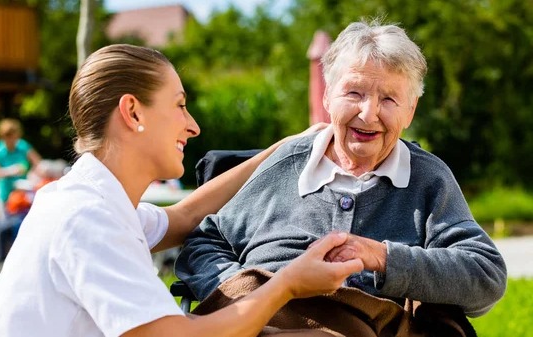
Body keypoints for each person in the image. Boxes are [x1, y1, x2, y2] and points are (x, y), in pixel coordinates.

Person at [0, 44, 364, 337]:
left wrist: (281, 150)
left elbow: (184, 217)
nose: (193, 126)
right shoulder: (86, 218)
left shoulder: (88, 199)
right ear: (133, 112)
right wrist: (290, 283)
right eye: (179, 106)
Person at [175, 19, 507, 324]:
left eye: (389, 99)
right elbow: (204, 241)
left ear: (410, 111)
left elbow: (485, 275)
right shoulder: (287, 163)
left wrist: (381, 257)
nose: (369, 113)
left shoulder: (427, 180)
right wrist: (242, 295)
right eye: (354, 93)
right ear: (329, 97)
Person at [0, 118, 42, 220]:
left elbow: (38, 163)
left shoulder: (23, 146)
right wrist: (11, 171)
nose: (12, 140)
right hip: (3, 196)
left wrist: (32, 174)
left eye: (14, 136)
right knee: (5, 228)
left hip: (21, 195)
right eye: (9, 136)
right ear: (3, 136)